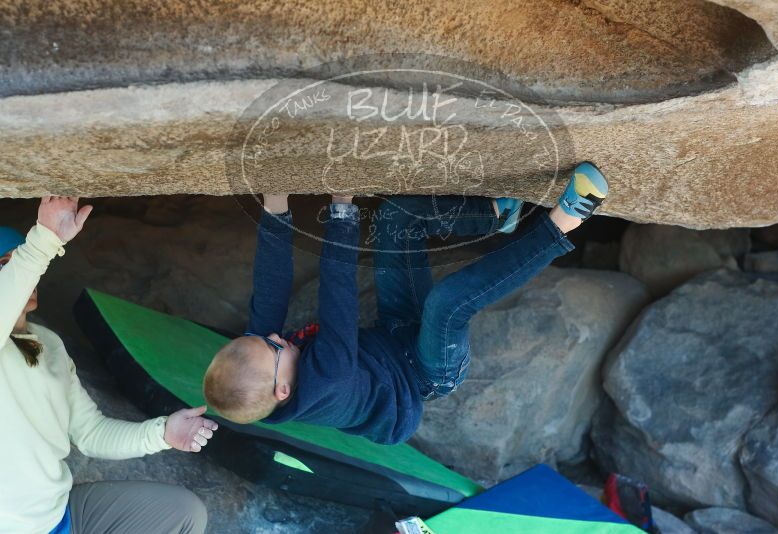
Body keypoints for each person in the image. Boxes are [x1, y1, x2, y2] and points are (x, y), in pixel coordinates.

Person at [203, 162, 608, 445]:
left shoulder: (263, 360)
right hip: (427, 373)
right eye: (274, 346)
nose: (275, 336)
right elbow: (337, 296)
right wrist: (342, 204)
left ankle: (494, 215)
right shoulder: (330, 380)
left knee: (396, 218)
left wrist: (275, 201)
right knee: (446, 304)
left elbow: (270, 285)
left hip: (391, 336)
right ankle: (564, 222)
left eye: (263, 338)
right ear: (284, 389)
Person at [1, 197, 218, 534]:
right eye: (5, 264)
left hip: (60, 517)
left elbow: (90, 432)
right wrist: (42, 239)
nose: (22, 272)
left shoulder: (49, 343)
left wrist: (162, 433)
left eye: (20, 259)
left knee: (182, 513)